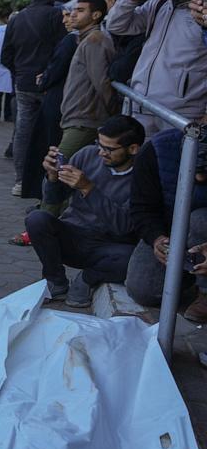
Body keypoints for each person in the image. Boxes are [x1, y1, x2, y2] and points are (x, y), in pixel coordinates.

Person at [25, 115, 143, 308]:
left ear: (133, 149)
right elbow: (54, 199)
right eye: (99, 144)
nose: (101, 153)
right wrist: (53, 177)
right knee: (37, 219)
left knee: (132, 258)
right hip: (74, 235)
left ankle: (87, 279)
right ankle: (55, 280)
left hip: (109, 247)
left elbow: (124, 228)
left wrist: (89, 189)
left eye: (109, 149)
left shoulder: (142, 176)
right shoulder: (88, 154)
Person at [126, 131, 207, 321]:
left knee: (200, 219)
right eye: (197, 172)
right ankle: (188, 277)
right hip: (170, 228)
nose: (201, 179)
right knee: (144, 290)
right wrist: (157, 238)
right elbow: (142, 208)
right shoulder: (158, 151)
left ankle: (204, 291)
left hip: (201, 227)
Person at [43, 0, 115, 209]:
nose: (73, 14)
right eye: (73, 10)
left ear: (96, 15)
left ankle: (45, 222)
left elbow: (102, 84)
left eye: (80, 10)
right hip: (77, 118)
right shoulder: (85, 39)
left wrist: (111, 113)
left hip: (86, 119)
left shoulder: (95, 40)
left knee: (57, 170)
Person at [107, 0, 207, 135]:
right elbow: (116, 25)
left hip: (181, 115)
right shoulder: (159, 4)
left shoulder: (202, 11)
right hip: (141, 104)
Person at [1, 0, 67, 199]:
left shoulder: (17, 18)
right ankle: (47, 180)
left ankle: (21, 181)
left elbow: (5, 55)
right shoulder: (57, 15)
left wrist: (20, 73)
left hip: (23, 83)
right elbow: (63, 50)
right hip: (50, 84)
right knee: (51, 132)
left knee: (23, 133)